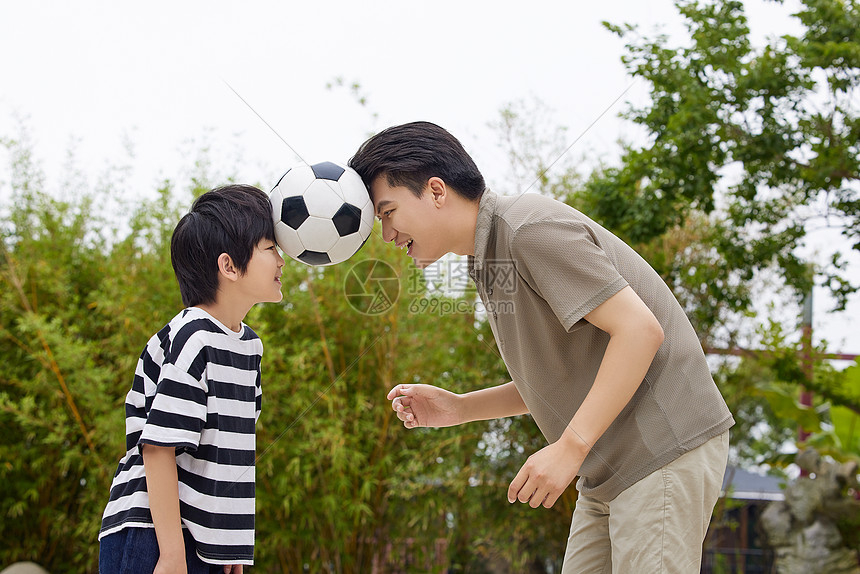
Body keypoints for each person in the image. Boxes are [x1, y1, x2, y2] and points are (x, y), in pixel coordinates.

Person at [349, 121, 735, 573]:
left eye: (388, 211)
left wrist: (569, 448)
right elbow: (558, 376)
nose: (387, 233)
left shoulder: (527, 229)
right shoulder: (488, 258)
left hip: (659, 449)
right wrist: (459, 408)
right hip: (606, 470)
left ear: (436, 190)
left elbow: (639, 331)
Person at [98, 185, 285, 574]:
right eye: (270, 248)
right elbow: (158, 447)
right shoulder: (193, 335)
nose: (282, 260)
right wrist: (171, 552)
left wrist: (230, 546)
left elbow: (230, 450)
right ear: (229, 266)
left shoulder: (249, 346)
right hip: (154, 532)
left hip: (203, 542)